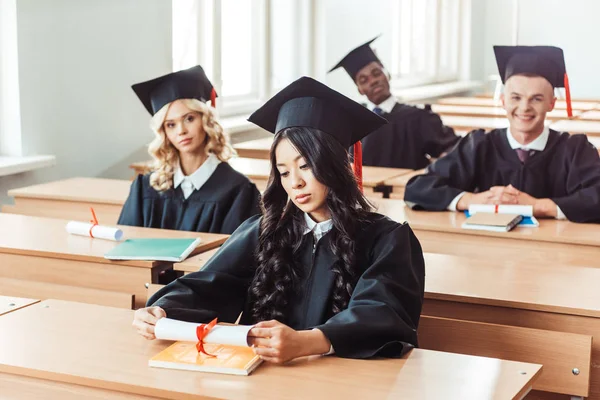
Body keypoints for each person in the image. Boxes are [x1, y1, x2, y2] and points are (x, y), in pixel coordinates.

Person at [132, 77, 425, 363]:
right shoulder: (266, 232)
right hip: (262, 376)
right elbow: (210, 283)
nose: (295, 182)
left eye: (306, 166)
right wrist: (162, 309)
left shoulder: (385, 239)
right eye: (284, 172)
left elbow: (381, 310)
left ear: (335, 163)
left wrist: (310, 341)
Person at [404, 46, 600, 223]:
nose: (524, 107)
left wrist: (538, 206)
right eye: (516, 97)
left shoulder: (575, 150)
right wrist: (474, 199)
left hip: (557, 256)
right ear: (503, 101)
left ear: (551, 103)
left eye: (536, 99)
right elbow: (418, 188)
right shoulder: (479, 145)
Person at [118, 65, 261, 234]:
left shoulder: (238, 191)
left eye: (189, 119)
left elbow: (236, 256)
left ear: (206, 120)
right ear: (164, 132)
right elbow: (125, 244)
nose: (181, 131)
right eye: (171, 125)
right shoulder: (146, 187)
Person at [329, 36, 460, 170]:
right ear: (360, 90)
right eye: (364, 80)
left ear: (387, 75)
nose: (373, 81)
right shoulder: (353, 122)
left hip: (406, 189)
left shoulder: (417, 117)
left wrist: (442, 163)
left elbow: (452, 148)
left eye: (376, 73)